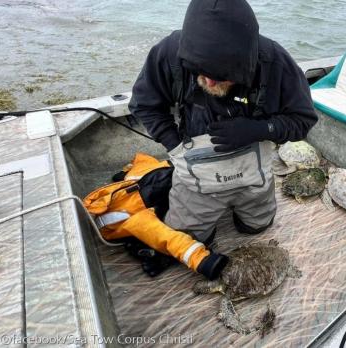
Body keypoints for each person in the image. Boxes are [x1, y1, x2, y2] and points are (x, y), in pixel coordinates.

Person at [124, 0, 318, 277]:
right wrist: (175, 145)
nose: (211, 83)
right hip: (195, 173)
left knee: (257, 228)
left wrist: (260, 130)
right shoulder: (169, 53)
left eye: (221, 76)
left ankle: (248, 214)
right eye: (203, 73)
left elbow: (303, 121)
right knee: (188, 241)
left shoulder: (275, 62)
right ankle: (197, 219)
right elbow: (144, 105)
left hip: (254, 174)